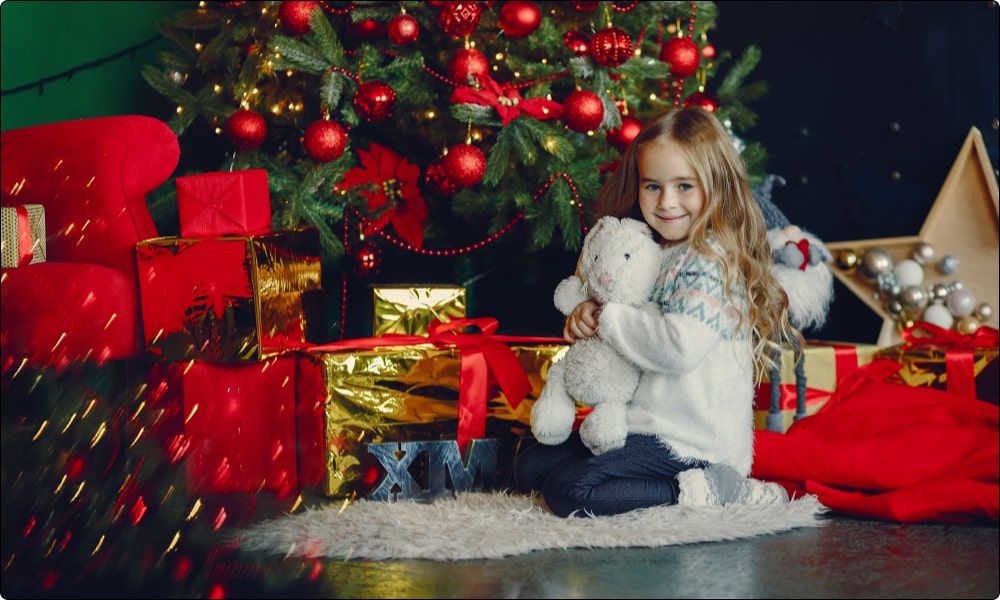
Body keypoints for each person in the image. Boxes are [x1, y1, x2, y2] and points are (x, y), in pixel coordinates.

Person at [516, 107, 801, 517]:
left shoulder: (710, 260)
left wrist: (609, 316)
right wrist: (587, 313)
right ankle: (646, 480)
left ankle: (716, 489)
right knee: (531, 466)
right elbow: (628, 313)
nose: (667, 203)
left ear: (716, 186)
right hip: (640, 424)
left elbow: (677, 346)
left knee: (570, 491)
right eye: (653, 186)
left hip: (689, 439)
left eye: (684, 185)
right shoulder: (653, 249)